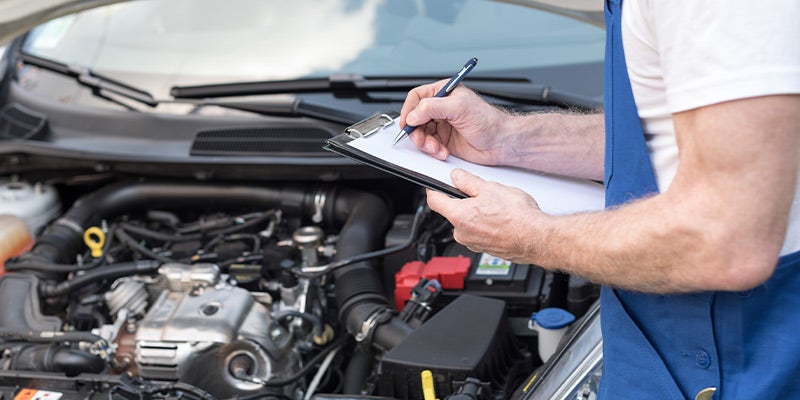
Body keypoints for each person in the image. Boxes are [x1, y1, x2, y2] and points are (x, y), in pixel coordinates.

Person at [398, 1, 800, 399]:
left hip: (734, 357)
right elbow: (666, 135)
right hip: (660, 346)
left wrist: (530, 235)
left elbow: (727, 239)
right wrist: (509, 138)